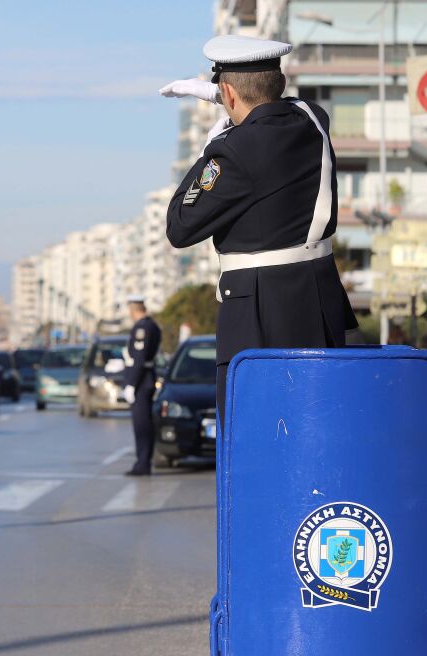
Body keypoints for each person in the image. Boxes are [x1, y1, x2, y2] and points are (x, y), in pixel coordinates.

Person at [161, 34, 357, 428]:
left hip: (258, 318)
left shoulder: (233, 151)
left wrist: (209, 152)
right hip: (319, 306)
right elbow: (279, 106)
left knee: (254, 437)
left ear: (228, 91)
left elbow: (179, 226)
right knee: (320, 430)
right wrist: (228, 98)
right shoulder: (313, 120)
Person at [122, 295, 161, 476]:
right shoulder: (151, 325)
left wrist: (131, 384)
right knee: (143, 423)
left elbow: (139, 357)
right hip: (145, 378)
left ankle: (143, 463)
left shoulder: (142, 328)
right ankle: (143, 461)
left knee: (141, 424)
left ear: (133, 309)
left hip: (141, 380)